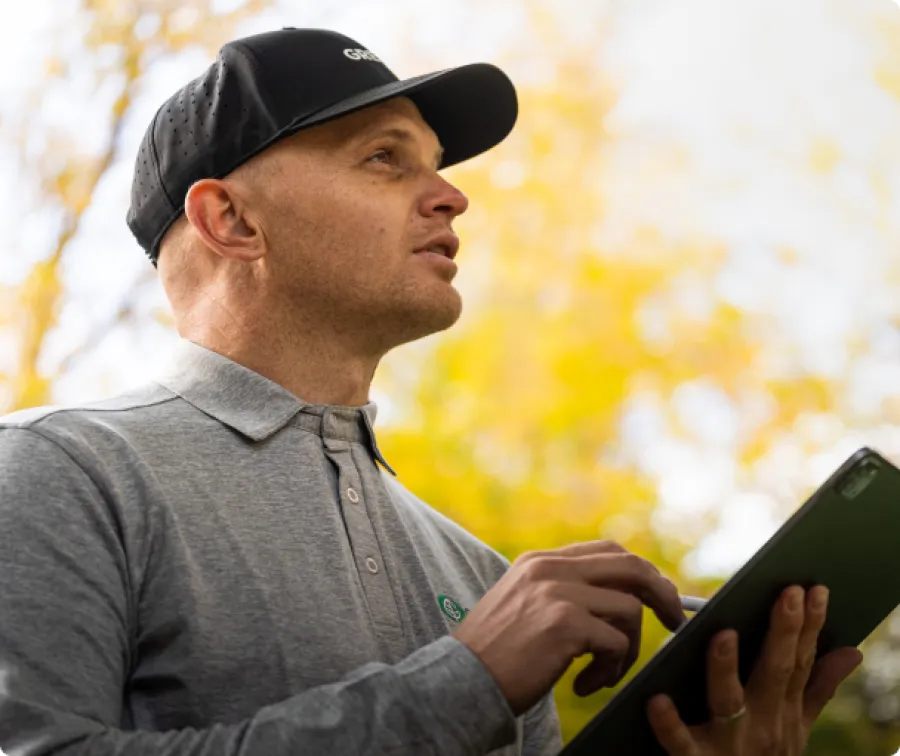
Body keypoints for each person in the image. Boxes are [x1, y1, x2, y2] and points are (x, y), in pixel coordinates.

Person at [0, 27, 862, 756]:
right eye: (385, 159)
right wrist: (466, 681)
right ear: (232, 221)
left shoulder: (482, 577)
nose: (451, 197)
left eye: (437, 166)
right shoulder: (56, 473)